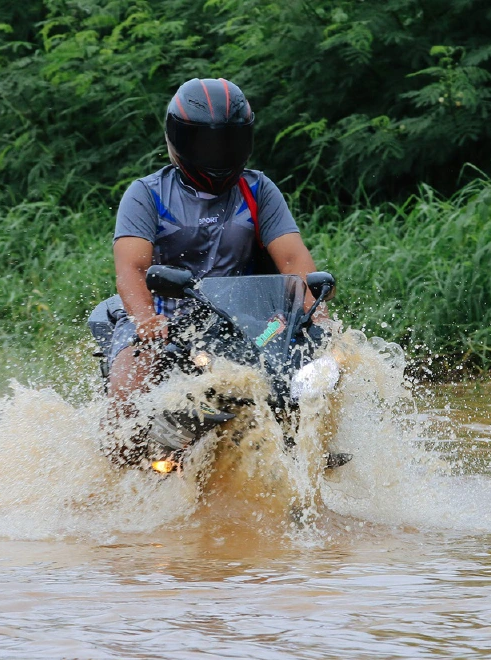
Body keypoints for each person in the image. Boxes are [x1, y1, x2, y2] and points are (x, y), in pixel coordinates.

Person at [90, 77, 325, 410]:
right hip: (163, 322)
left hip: (250, 323)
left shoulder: (259, 190)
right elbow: (132, 268)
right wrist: (145, 319)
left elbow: (292, 259)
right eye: (204, 143)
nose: (218, 153)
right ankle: (118, 450)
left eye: (228, 141)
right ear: (177, 138)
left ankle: (310, 443)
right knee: (130, 386)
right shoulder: (147, 194)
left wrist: (315, 309)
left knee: (321, 367)